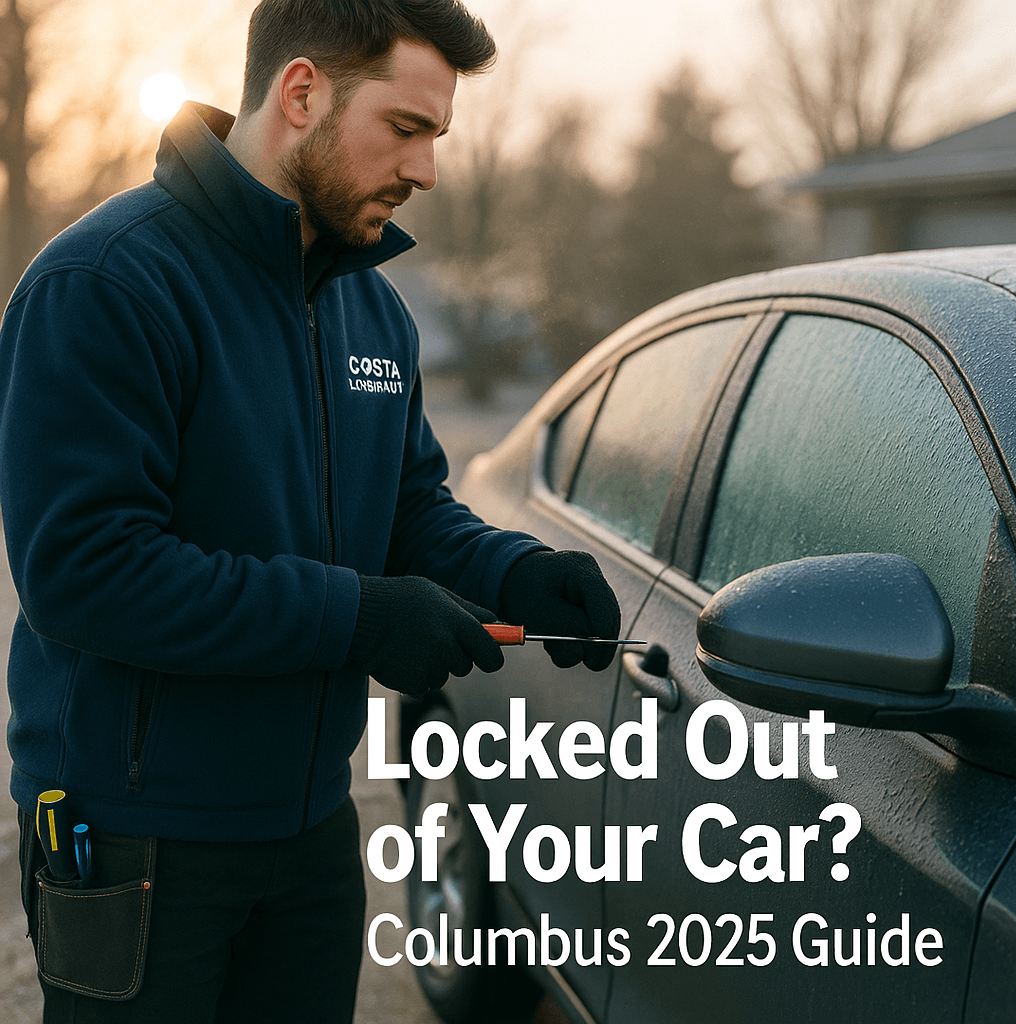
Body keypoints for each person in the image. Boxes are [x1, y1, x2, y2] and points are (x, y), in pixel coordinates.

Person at [0, 1, 621, 1021]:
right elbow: (89, 571)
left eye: (436, 138)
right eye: (406, 129)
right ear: (301, 94)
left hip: (310, 832)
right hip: (135, 836)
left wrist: (510, 569)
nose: (424, 170)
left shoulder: (369, 307)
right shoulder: (105, 284)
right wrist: (360, 617)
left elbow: (409, 509)